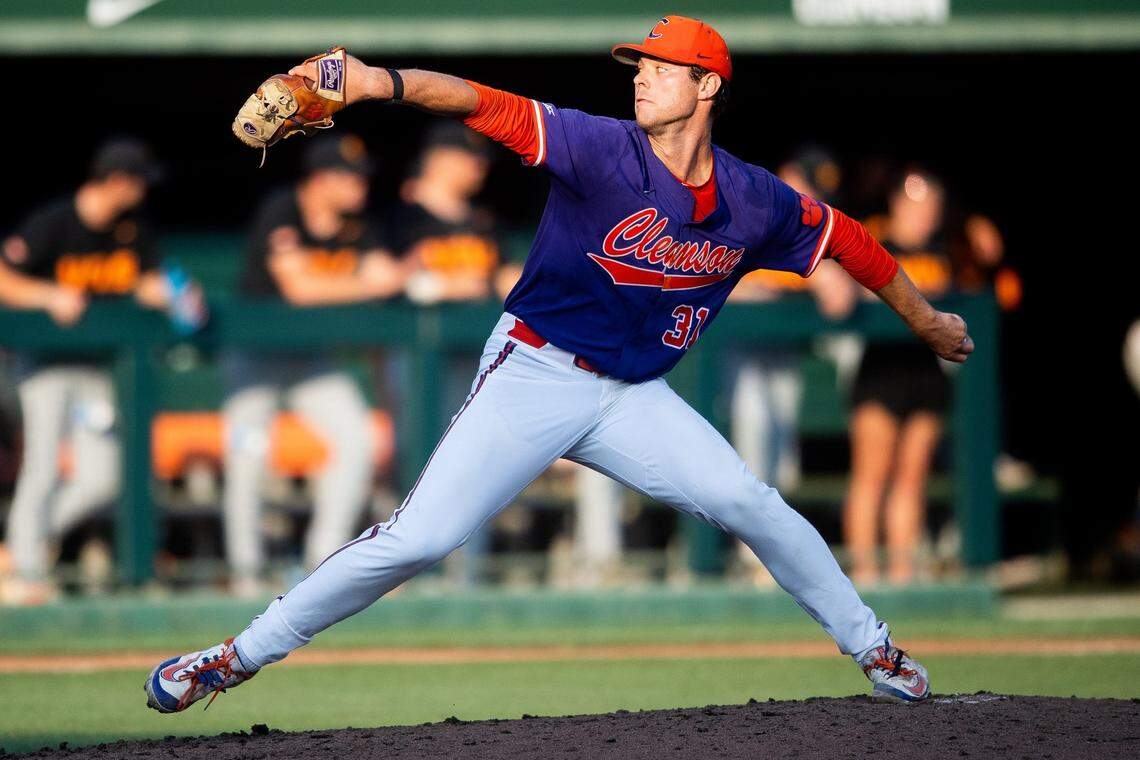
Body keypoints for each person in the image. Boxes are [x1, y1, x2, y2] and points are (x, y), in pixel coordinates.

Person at [147, 16, 972, 712]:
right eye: (638, 64)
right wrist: (376, 82)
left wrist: (926, 318)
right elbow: (477, 101)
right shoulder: (597, 147)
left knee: (749, 500)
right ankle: (234, 657)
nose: (641, 77)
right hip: (535, 372)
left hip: (634, 395)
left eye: (661, 67)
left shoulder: (755, 198)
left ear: (708, 85)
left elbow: (852, 243)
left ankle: (876, 651)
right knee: (420, 537)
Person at [0, 138, 200, 603]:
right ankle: (26, 573)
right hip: (44, 366)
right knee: (43, 467)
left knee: (104, 474)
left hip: (95, 368)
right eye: (137, 184)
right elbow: (4, 277)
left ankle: (16, 552)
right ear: (116, 181)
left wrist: (155, 291)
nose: (143, 193)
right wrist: (46, 296)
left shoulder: (133, 229)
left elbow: (159, 280)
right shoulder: (53, 222)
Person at [223, 135, 405, 596]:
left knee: (360, 440)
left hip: (312, 360)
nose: (360, 185)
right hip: (255, 356)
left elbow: (391, 275)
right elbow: (299, 290)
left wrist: (378, 278)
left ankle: (321, 562)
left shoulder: (357, 224)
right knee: (248, 455)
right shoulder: (282, 209)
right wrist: (364, 283)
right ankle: (246, 572)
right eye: (350, 176)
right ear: (322, 179)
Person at [843, 169, 954, 586]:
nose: (922, 214)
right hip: (880, 372)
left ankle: (903, 576)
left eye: (930, 207)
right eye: (913, 204)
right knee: (872, 473)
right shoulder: (876, 243)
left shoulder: (946, 251)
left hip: (924, 373)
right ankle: (866, 574)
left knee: (912, 475)